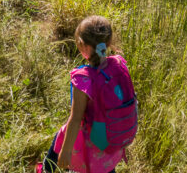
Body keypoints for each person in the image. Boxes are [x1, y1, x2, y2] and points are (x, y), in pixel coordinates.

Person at [41, 16, 138, 173]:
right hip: (110, 137)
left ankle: (47, 169)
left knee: (57, 148)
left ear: (82, 45)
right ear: (108, 42)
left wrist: (65, 151)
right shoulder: (119, 63)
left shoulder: (84, 78)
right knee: (105, 167)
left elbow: (75, 119)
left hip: (92, 138)